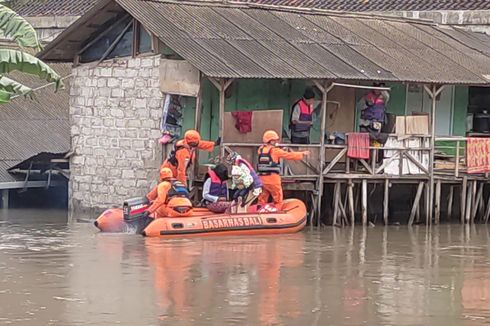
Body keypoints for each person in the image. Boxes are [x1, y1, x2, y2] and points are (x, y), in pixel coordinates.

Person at [257, 130, 309, 209]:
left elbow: (269, 151)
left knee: (262, 198)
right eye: (275, 140)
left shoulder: (260, 150)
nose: (276, 142)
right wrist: (301, 153)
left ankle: (259, 211)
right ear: (271, 141)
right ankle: (278, 212)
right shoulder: (275, 151)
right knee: (278, 198)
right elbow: (289, 155)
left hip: (262, 179)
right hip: (273, 179)